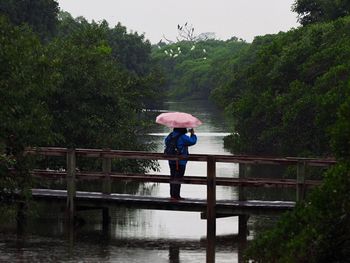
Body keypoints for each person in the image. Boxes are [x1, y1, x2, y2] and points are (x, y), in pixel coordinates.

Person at [165, 127, 197, 200]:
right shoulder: (183, 137)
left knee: (173, 177)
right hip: (180, 162)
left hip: (171, 160)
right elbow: (192, 141)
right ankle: (176, 196)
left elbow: (166, 142)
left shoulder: (170, 135)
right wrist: (192, 134)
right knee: (178, 178)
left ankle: (172, 195)